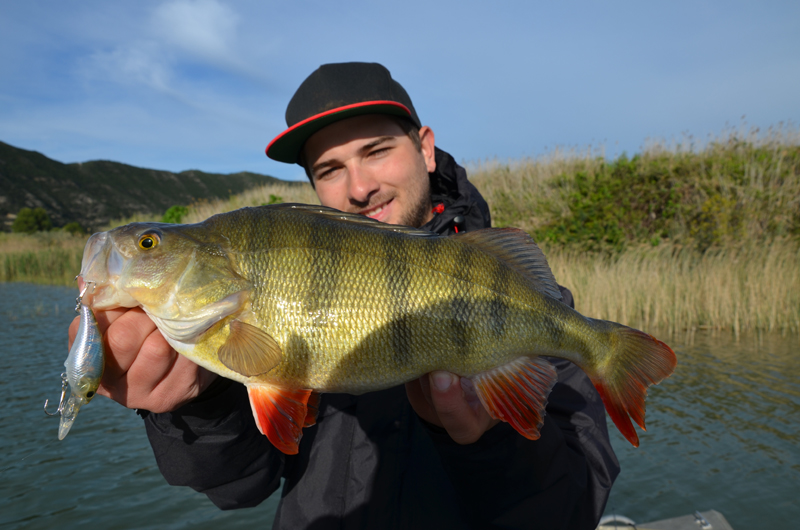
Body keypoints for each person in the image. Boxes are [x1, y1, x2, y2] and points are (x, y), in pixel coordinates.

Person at [70, 62, 619, 529]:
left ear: (425, 149)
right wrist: (196, 402)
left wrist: (490, 442)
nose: (359, 187)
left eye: (376, 150)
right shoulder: (229, 320)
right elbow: (236, 488)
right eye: (329, 169)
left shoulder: (521, 301)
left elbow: (574, 510)